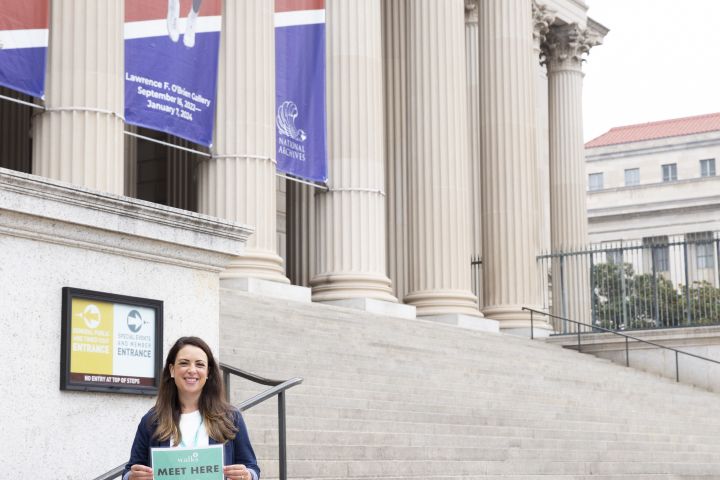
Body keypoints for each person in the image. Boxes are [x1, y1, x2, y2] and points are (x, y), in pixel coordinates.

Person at [123, 336, 260, 480]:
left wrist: (247, 475)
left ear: (208, 372)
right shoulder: (152, 420)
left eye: (200, 365)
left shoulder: (231, 417)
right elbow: (128, 471)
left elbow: (252, 467)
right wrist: (132, 476)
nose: (192, 370)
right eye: (184, 363)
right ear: (172, 370)